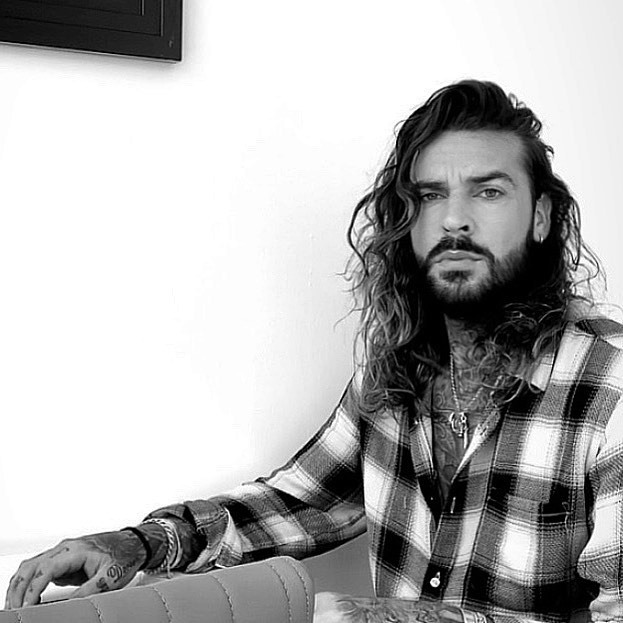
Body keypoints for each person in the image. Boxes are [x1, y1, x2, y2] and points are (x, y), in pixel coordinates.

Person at [5, 80, 623, 623]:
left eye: (488, 192)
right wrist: (139, 544)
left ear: (541, 216)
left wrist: (393, 619)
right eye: (431, 196)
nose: (454, 220)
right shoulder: (395, 370)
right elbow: (298, 502)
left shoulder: (609, 386)